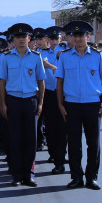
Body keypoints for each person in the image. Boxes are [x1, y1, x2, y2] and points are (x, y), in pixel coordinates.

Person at [55, 20, 102, 190]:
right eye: (75, 35)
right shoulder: (64, 56)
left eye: (81, 35)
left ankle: (91, 177)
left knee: (93, 143)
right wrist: (60, 104)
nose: (78, 39)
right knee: (73, 144)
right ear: (71, 37)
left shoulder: (97, 55)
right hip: (72, 105)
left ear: (88, 37)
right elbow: (60, 81)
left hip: (92, 105)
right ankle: (76, 177)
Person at [0, 23, 45, 187]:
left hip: (31, 100)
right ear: (13, 40)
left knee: (31, 139)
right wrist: (2, 103)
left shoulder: (36, 57)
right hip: (13, 100)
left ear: (29, 38)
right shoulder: (6, 57)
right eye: (18, 37)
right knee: (15, 138)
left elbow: (41, 81)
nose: (21, 40)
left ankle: (29, 174)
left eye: (24, 37)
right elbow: (1, 82)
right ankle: (16, 174)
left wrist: (40, 103)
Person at [39, 27, 65, 174]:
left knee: (63, 127)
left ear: (60, 39)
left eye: (57, 38)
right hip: (49, 92)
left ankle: (61, 155)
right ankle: (53, 153)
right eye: (52, 39)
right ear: (48, 40)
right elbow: (41, 62)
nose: (55, 41)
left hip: (64, 93)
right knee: (50, 125)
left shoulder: (65, 51)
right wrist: (52, 66)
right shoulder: (43, 52)